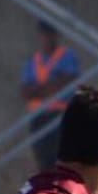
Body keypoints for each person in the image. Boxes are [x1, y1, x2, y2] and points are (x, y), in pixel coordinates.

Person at [21, 21, 81, 172]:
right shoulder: (33, 61)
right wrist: (51, 86)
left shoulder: (67, 56)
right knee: (43, 159)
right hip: (39, 117)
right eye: (44, 34)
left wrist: (39, 90)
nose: (47, 38)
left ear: (56, 36)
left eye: (50, 34)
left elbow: (67, 82)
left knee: (62, 159)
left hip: (61, 116)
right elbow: (26, 92)